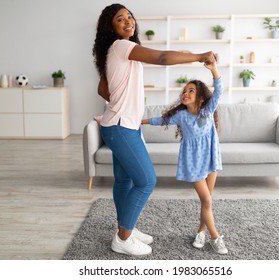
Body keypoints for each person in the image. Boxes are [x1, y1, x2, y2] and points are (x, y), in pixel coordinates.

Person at [92, 3, 217, 256]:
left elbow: (102, 90)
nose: (128, 21)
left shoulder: (114, 50)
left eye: (129, 16)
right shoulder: (122, 46)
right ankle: (123, 238)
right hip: (121, 127)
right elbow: (161, 58)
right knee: (147, 180)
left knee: (125, 180)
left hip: (121, 124)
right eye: (120, 19)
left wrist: (122, 99)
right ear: (111, 27)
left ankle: (124, 227)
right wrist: (198, 56)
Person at [141, 60, 228, 254]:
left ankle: (200, 232)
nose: (185, 93)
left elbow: (219, 90)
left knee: (207, 201)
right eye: (184, 91)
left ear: (201, 98)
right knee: (206, 200)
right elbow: (159, 120)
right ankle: (215, 237)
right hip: (194, 163)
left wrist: (214, 69)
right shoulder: (181, 116)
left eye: (191, 91)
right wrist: (140, 120)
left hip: (211, 159)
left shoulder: (207, 111)